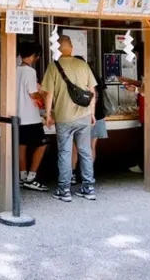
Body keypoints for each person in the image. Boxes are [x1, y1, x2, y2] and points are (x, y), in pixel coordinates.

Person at [43, 35, 98, 202]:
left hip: (64, 117)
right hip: (84, 115)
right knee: (85, 151)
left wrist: (48, 114)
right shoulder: (83, 65)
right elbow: (92, 92)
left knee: (65, 153)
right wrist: (93, 114)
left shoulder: (53, 67)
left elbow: (49, 94)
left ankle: (64, 190)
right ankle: (88, 187)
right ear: (72, 48)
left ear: (58, 50)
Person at [15, 41, 49, 192]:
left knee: (21, 146)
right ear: (35, 56)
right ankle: (31, 177)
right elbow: (32, 93)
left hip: (18, 116)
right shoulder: (30, 72)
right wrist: (44, 95)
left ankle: (22, 177)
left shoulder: (15, 70)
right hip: (31, 117)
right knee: (42, 144)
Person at [71, 56, 107, 185]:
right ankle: (88, 175)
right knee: (91, 146)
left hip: (84, 115)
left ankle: (73, 174)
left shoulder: (79, 76)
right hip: (98, 115)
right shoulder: (95, 75)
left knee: (74, 147)